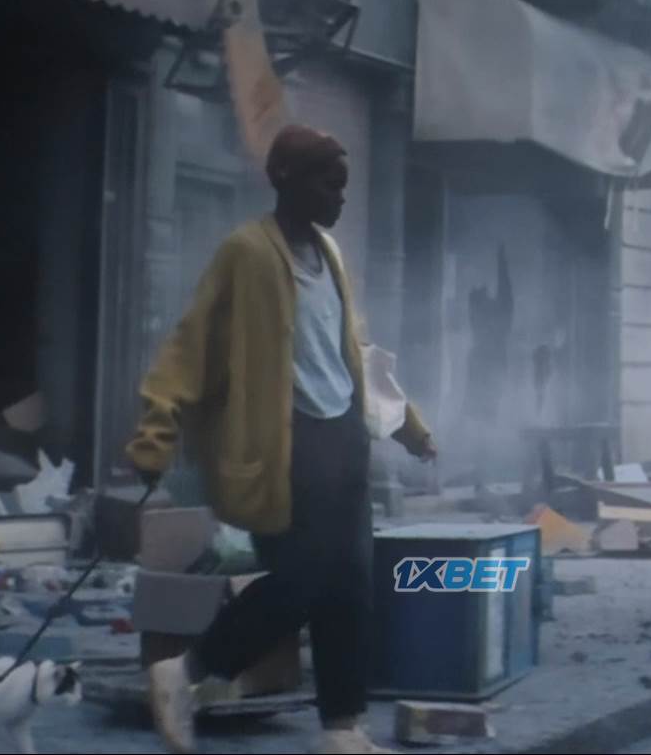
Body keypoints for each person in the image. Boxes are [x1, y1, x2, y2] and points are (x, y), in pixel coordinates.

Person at [125, 124, 438, 754]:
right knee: (303, 578)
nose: (341, 197)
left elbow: (356, 353)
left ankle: (342, 728)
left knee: (351, 582)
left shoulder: (332, 255)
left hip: (344, 436)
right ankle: (184, 671)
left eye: (344, 185)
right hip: (287, 447)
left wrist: (409, 426)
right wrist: (154, 437)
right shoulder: (246, 252)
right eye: (330, 183)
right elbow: (189, 347)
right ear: (286, 179)